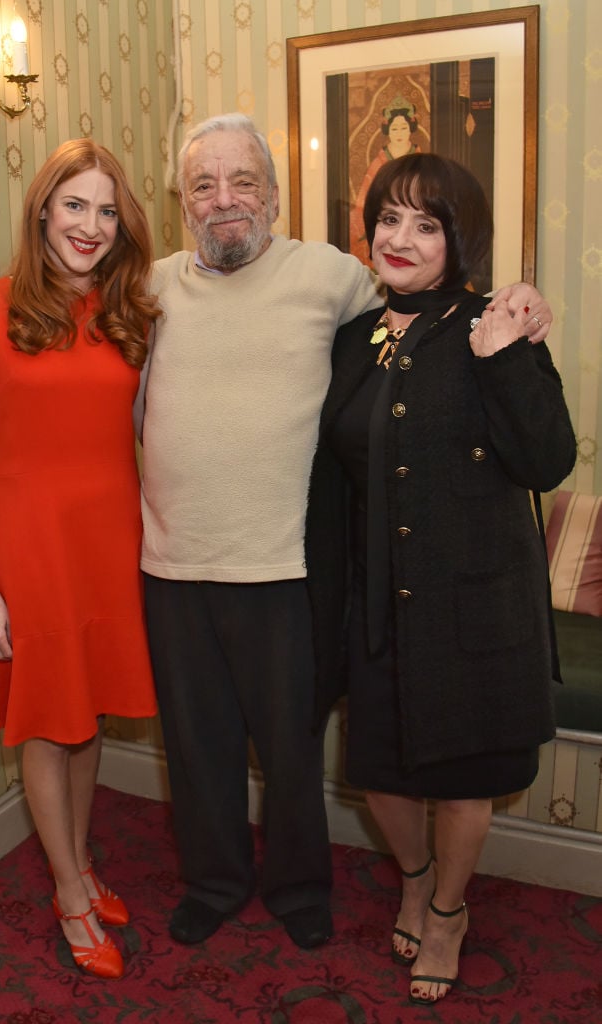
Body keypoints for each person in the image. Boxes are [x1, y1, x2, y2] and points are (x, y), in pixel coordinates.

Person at [0, 115, 553, 953]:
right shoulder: (143, 290)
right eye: (202, 185)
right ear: (181, 202)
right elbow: (52, 311)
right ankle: (215, 882)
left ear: (272, 194)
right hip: (166, 565)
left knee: (292, 753)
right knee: (197, 751)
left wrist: (517, 298)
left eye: (242, 183)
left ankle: (301, 889)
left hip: (285, 568)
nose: (224, 201)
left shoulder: (334, 276)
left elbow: (431, 295)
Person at [305, 152, 576, 1003]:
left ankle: (449, 911)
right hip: (376, 598)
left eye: (426, 224)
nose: (400, 238)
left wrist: (505, 356)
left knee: (462, 780)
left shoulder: (492, 322)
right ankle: (414, 876)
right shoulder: (354, 337)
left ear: (459, 241)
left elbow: (546, 460)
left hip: (474, 603)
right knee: (379, 773)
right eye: (388, 218)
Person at [0, 139, 162, 979]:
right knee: (46, 718)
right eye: (75, 205)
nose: (91, 225)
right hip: (32, 550)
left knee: (91, 710)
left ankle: (83, 859)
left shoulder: (128, 313)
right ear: (42, 210)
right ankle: (70, 889)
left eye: (107, 211)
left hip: (113, 544)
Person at [350, 96, 422, 263]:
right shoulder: (378, 164)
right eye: (394, 129)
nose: (399, 133)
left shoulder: (422, 165)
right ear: (388, 130)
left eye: (403, 128)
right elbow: (362, 204)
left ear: (410, 129)